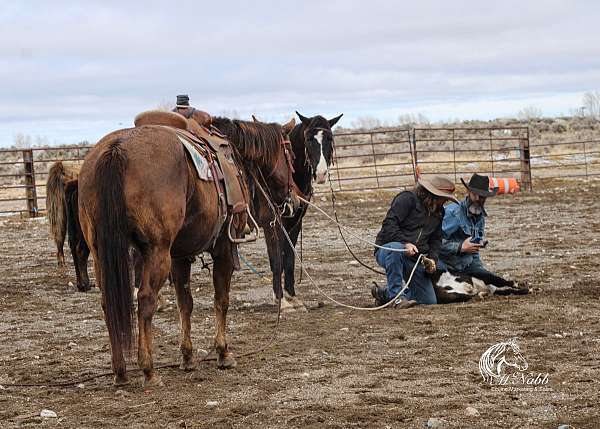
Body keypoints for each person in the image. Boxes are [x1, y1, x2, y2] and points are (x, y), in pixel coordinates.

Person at [371, 176, 458, 309]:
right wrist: (405, 243)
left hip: (415, 257)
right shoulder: (407, 199)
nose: (445, 201)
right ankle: (396, 298)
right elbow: (389, 224)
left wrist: (433, 259)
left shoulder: (440, 212)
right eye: (443, 198)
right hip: (388, 250)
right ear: (433, 194)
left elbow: (436, 239)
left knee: (428, 300)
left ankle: (384, 294)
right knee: (396, 248)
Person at [438, 173, 514, 287]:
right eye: (475, 195)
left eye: (482, 196)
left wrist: (480, 270)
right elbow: (434, 243)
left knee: (492, 280)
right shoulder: (453, 214)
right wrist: (460, 247)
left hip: (467, 266)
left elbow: (474, 252)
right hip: (446, 266)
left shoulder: (480, 218)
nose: (478, 199)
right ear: (469, 193)